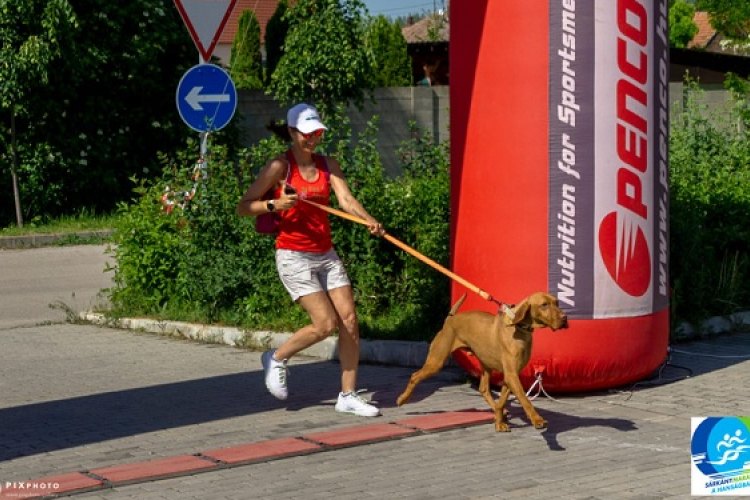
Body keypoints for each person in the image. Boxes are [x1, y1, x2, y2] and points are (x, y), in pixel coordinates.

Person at [237, 103, 383, 417]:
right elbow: (244, 206)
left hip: (325, 253)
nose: (312, 139)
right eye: (306, 134)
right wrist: (276, 204)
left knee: (350, 323)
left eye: (316, 133)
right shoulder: (279, 166)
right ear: (292, 133)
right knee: (325, 324)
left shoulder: (328, 164)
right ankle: (276, 357)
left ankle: (348, 395)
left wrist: (368, 219)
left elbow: (346, 199)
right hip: (293, 255)